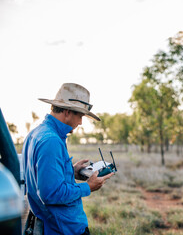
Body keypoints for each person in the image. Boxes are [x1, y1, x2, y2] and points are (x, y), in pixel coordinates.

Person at [22, 83, 114, 235]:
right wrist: (88, 187)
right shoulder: (51, 141)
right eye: (80, 116)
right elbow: (50, 193)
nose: (80, 122)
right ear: (66, 112)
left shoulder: (36, 134)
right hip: (62, 228)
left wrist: (71, 171)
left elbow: (43, 177)